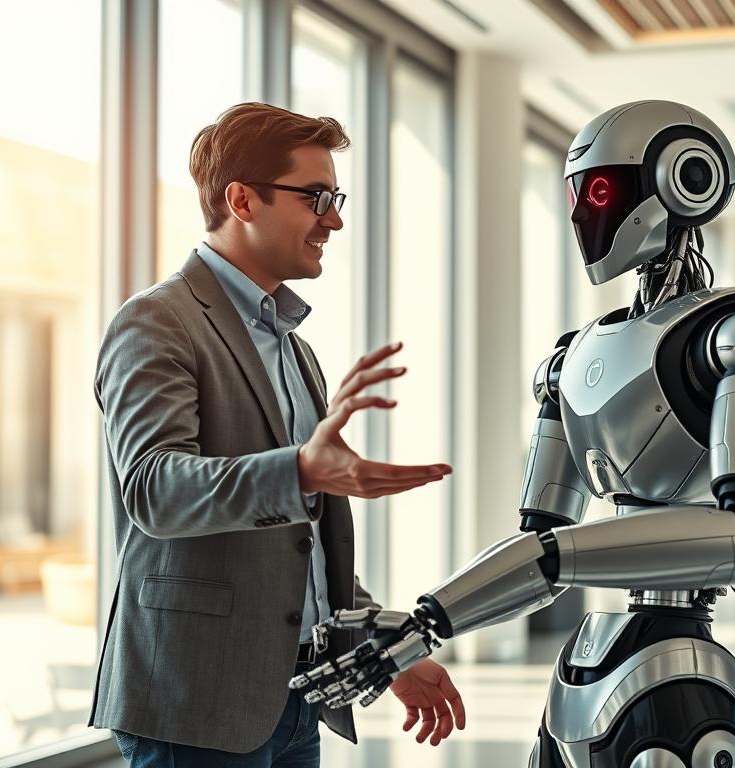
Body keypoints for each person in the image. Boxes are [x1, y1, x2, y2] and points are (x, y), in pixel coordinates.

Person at [90, 102, 466, 766]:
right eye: (317, 197)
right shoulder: (157, 322)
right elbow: (154, 489)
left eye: (337, 197)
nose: (336, 219)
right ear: (242, 200)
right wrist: (299, 471)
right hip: (197, 703)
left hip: (293, 699)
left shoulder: (294, 349)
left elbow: (306, 552)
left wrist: (388, 653)